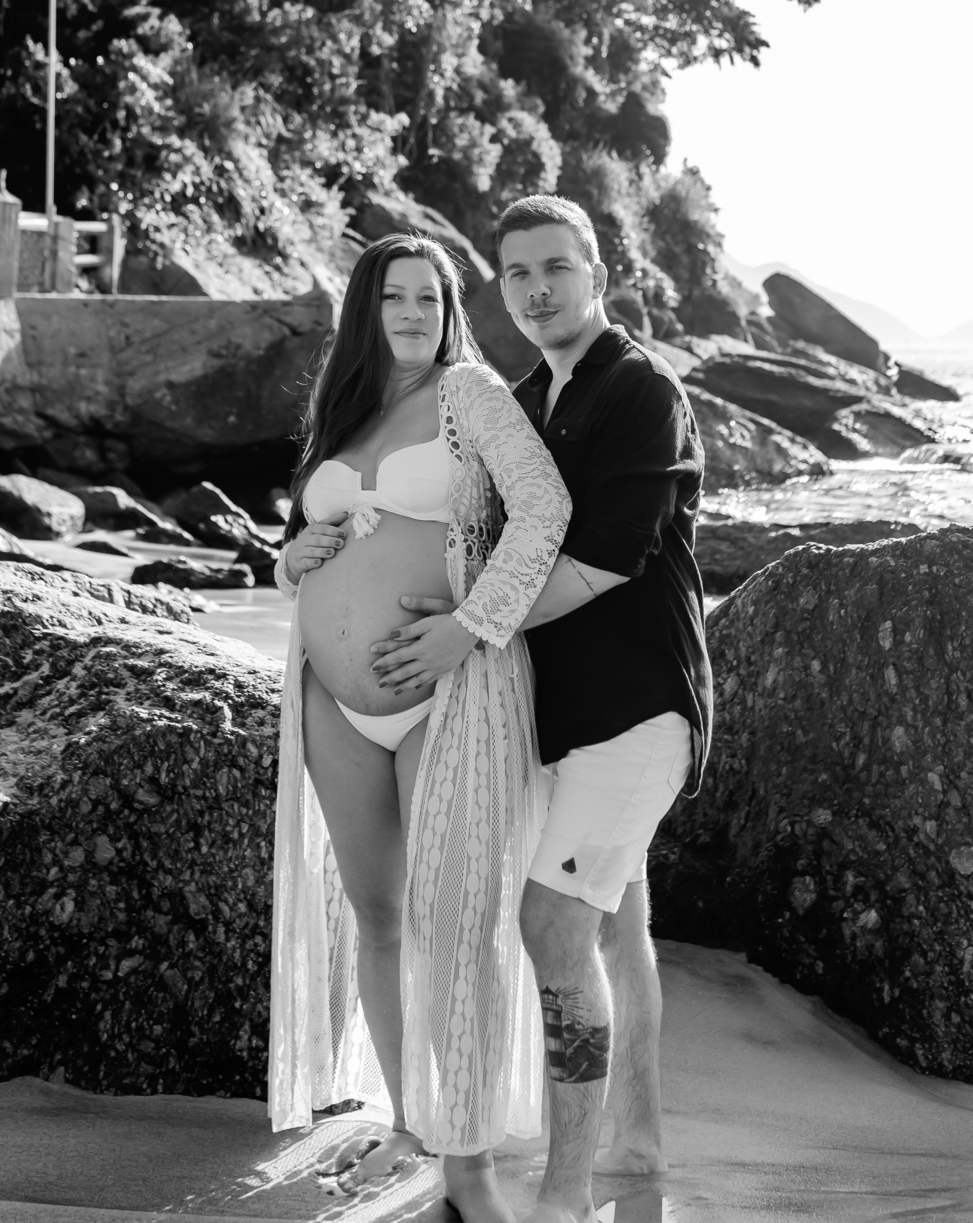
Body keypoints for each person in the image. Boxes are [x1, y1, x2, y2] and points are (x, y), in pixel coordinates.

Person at [373, 195, 712, 1223]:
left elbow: (604, 561)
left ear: (598, 272)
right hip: (555, 714)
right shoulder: (527, 394)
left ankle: (565, 1198)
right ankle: (636, 1148)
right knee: (621, 927)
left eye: (557, 268)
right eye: (517, 274)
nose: (536, 290)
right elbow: (474, 523)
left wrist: (471, 626)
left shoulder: (640, 390)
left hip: (640, 708)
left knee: (552, 922)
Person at [269, 232, 571, 1223]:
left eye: (429, 299)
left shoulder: (471, 395)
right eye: (393, 297)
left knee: (456, 927)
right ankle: (411, 1126)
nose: (411, 314)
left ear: (450, 310)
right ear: (367, 310)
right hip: (334, 703)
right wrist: (293, 555)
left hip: (448, 694)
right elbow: (303, 551)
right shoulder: (343, 405)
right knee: (381, 919)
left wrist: (470, 626)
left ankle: (466, 1147)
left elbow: (544, 508)